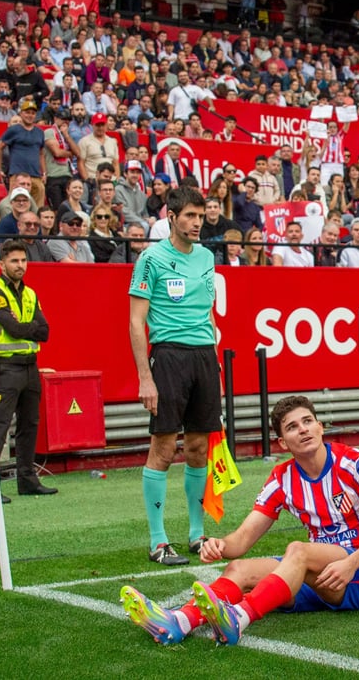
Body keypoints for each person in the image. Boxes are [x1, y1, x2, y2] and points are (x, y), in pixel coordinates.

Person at [119, 395, 359, 647]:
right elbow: (242, 539)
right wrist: (219, 545)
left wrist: (351, 563)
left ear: (320, 427)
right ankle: (179, 622)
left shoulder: (353, 463)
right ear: (282, 442)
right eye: (292, 427)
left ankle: (239, 618)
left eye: (307, 422)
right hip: (322, 575)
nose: (303, 429)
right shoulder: (282, 478)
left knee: (298, 551)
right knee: (238, 568)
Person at [128, 186, 220, 566]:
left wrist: (213, 355)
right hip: (167, 357)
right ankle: (158, 540)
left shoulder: (207, 257)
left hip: (204, 357)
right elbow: (136, 322)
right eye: (190, 216)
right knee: (163, 449)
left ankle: (197, 534)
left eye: (201, 216)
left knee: (198, 447)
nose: (198, 223)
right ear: (172, 217)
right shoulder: (151, 259)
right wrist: (145, 378)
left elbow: (209, 310)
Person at [0, 239, 57, 503]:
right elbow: (14, 329)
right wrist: (30, 327)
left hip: (29, 366)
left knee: (29, 425)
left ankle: (27, 480)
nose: (20, 265)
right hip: (5, 368)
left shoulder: (30, 293)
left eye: (23, 260)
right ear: (2, 264)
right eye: (14, 261)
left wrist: (27, 328)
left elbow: (45, 332)